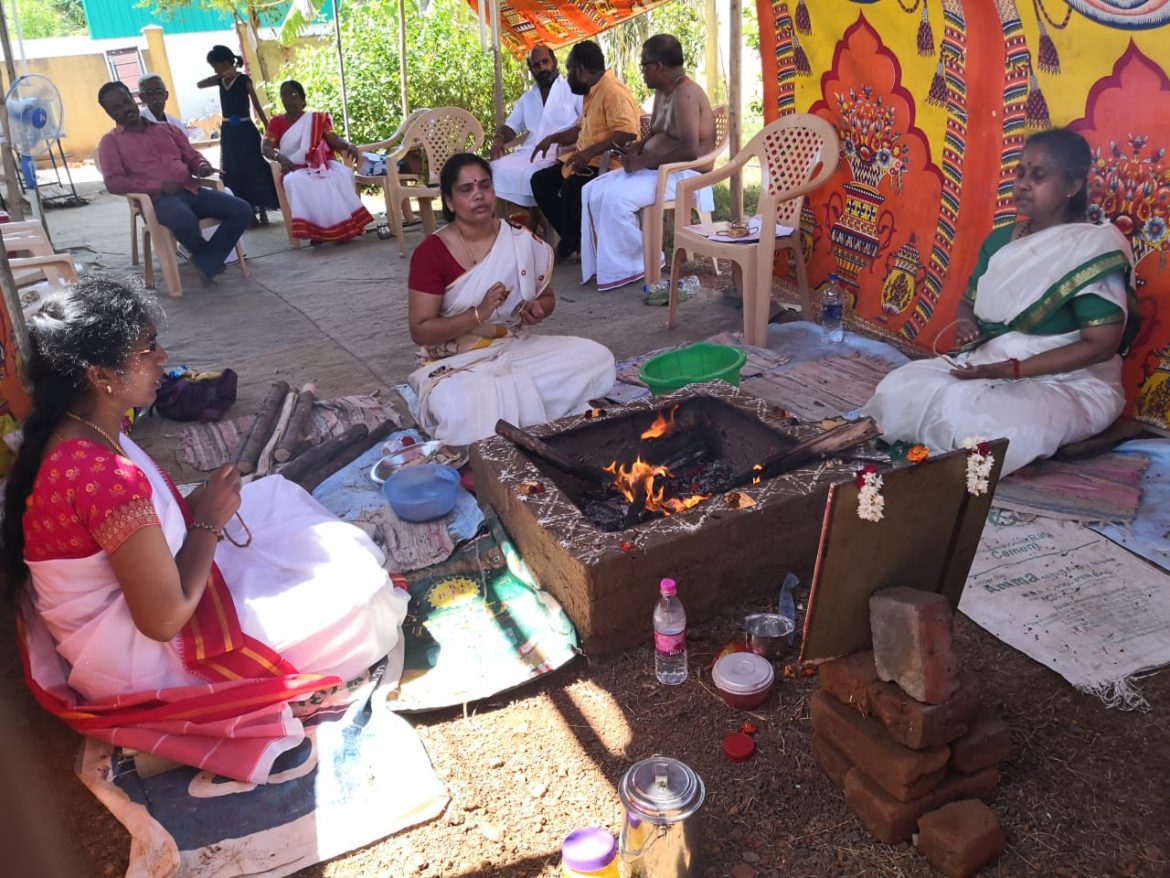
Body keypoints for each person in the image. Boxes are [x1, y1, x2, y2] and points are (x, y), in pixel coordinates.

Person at [1, 277, 409, 783]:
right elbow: (163, 620)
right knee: (361, 600)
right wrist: (206, 520)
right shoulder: (99, 472)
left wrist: (193, 510)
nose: (162, 356)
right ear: (101, 374)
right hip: (140, 654)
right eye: (148, 348)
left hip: (146, 592)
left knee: (276, 496)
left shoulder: (82, 425)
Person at [861, 128, 1139, 475]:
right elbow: (967, 302)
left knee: (986, 422)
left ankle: (1018, 453)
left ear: (1072, 186)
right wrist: (966, 324)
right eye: (1020, 172)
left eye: (1038, 176)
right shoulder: (1000, 239)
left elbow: (1100, 346)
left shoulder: (1093, 248)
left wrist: (1012, 371)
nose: (1022, 184)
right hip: (991, 360)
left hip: (1072, 381)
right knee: (900, 388)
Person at [407, 154, 616, 446]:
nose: (478, 195)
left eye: (485, 186)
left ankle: (507, 415)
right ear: (450, 202)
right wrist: (478, 314)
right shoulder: (431, 252)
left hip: (514, 348)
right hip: (455, 362)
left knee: (597, 359)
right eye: (466, 190)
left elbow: (548, 297)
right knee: (458, 410)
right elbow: (421, 329)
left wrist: (537, 310)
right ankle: (527, 413)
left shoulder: (519, 238)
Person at [580, 34, 716, 290]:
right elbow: (657, 132)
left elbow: (689, 150)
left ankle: (642, 261)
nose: (641, 71)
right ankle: (612, 264)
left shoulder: (686, 94)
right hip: (658, 168)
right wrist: (638, 148)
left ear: (659, 67)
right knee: (592, 190)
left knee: (615, 200)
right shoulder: (663, 92)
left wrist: (644, 163)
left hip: (685, 173)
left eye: (644, 65)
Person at [96, 81, 252, 287]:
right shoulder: (110, 142)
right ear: (109, 113)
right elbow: (114, 183)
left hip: (190, 190)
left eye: (126, 101)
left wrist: (202, 167)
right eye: (116, 107)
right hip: (158, 201)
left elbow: (192, 157)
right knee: (183, 219)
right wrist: (158, 186)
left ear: (133, 99)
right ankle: (208, 260)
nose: (125, 108)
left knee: (242, 209)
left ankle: (205, 261)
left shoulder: (167, 129)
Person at [529, 40, 642, 260]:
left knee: (572, 189)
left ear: (580, 69)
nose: (567, 75)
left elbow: (627, 132)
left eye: (569, 69)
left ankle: (570, 246)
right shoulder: (591, 92)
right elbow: (580, 129)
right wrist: (551, 139)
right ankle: (579, 242)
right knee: (540, 182)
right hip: (586, 161)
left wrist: (588, 152)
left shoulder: (612, 92)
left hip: (608, 165)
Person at [262, 80, 373, 244]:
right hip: (294, 167)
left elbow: (333, 139)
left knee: (343, 174)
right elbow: (266, 147)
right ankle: (315, 233)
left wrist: (348, 145)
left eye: (292, 94)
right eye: (283, 95)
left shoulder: (317, 119)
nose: (287, 99)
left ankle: (343, 229)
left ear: (302, 99)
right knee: (294, 182)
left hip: (321, 164)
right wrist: (280, 158)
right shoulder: (277, 122)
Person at [488, 45, 582, 225]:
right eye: (536, 65)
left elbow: (584, 126)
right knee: (492, 169)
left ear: (553, 62)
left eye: (544, 62)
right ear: (532, 69)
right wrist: (498, 138)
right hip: (529, 151)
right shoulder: (527, 98)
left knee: (536, 177)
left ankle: (535, 219)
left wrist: (559, 141)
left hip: (560, 153)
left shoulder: (572, 91)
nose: (541, 68)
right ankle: (505, 226)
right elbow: (510, 127)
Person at [197, 45, 279, 226]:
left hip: (245, 129)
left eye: (216, 66)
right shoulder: (220, 80)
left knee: (254, 167)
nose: (215, 70)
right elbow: (200, 84)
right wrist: (221, 75)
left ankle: (262, 209)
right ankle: (247, 212)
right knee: (233, 169)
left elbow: (256, 105)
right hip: (229, 132)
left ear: (226, 62)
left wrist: (267, 127)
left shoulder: (244, 80)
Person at [137, 73, 191, 137]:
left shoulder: (175, 122)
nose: (156, 97)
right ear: (142, 97)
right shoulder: (138, 123)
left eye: (160, 92)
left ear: (166, 95)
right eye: (150, 93)